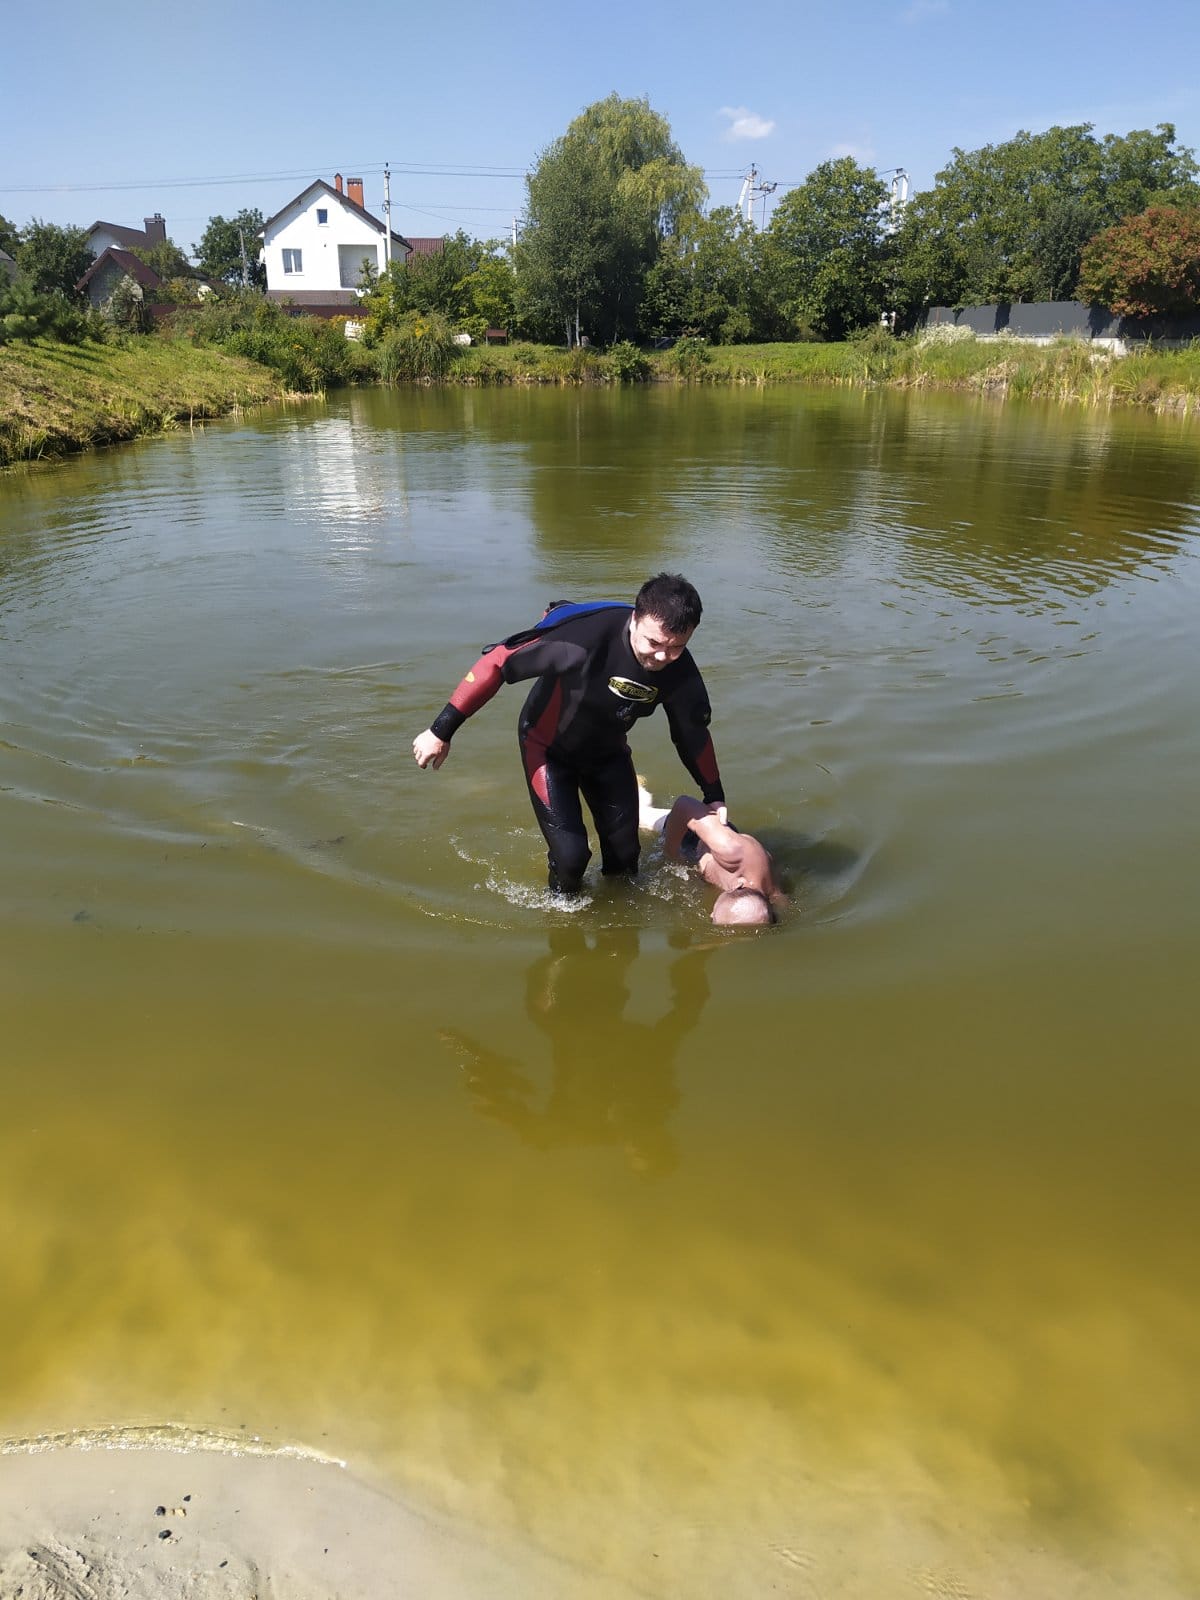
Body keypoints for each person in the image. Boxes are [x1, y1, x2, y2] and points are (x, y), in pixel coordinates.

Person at [412, 574, 724, 893]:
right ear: (635, 619)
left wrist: (714, 796)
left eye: (675, 648)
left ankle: (618, 934)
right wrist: (440, 731)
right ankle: (563, 924)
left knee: (626, 859)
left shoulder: (680, 671)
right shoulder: (582, 638)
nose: (661, 657)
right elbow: (497, 662)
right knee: (571, 859)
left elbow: (693, 733)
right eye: (653, 642)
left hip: (608, 753)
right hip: (548, 749)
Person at [639, 787, 786, 927]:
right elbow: (683, 804)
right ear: (737, 886)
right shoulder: (732, 851)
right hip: (692, 836)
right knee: (640, 816)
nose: (710, 915)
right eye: (714, 914)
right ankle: (639, 788)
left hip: (701, 861)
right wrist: (670, 854)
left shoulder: (772, 903)